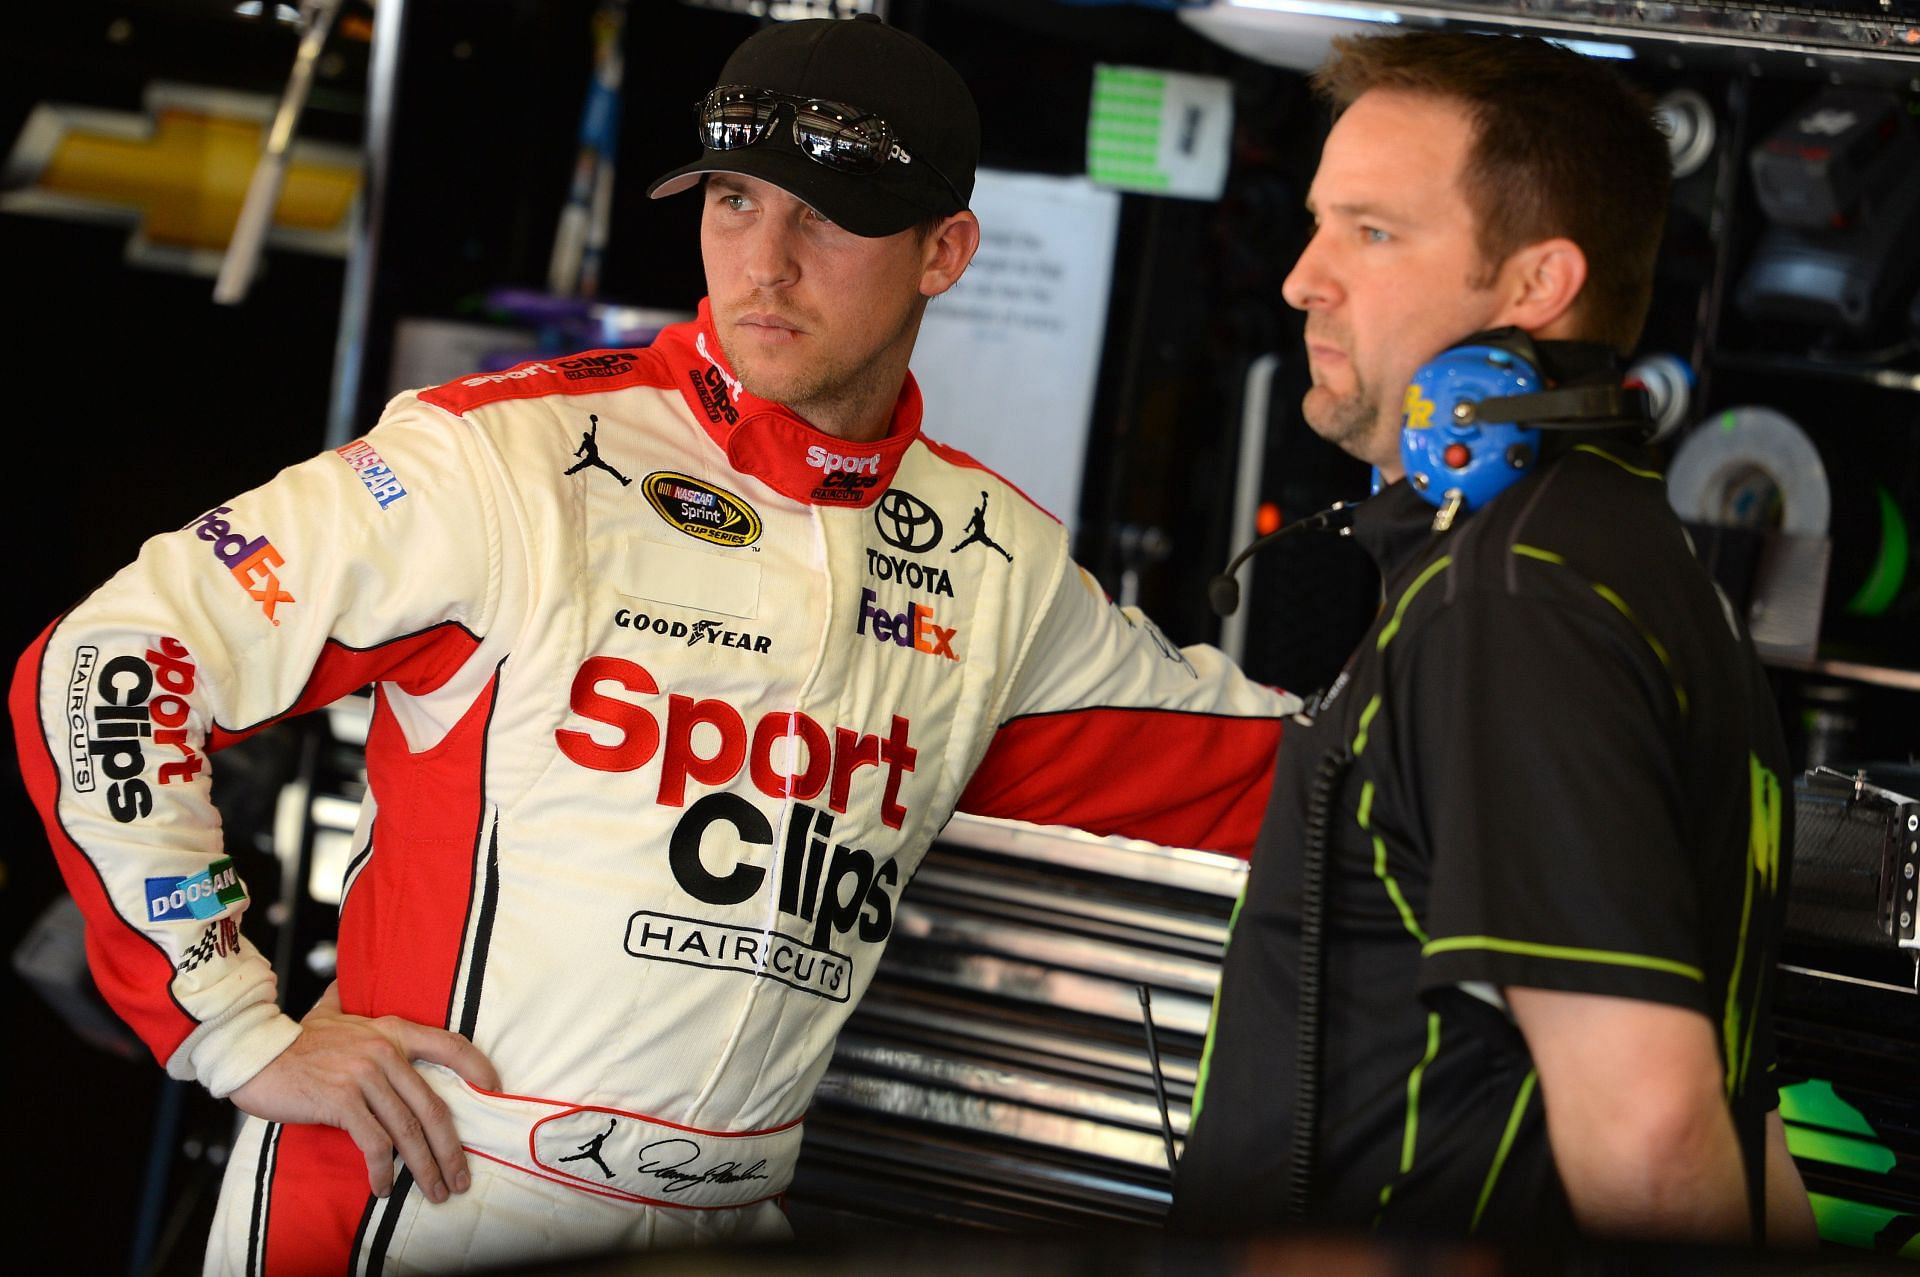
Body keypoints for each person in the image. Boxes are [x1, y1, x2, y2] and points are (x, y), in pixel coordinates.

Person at [10, 15, 1293, 1275]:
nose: (764, 262)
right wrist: (229, 1024)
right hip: (431, 1188)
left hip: (729, 1215)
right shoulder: (501, 459)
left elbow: (1286, 776)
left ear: (944, 250)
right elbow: (112, 661)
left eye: (826, 214)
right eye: (734, 201)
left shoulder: (993, 559)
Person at [1170, 32, 1815, 1248]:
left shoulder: (1516, 601)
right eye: (1318, 224)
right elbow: (1753, 1127)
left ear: (1536, 285)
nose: (1306, 276)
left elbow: (1658, 1131)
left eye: (1372, 231)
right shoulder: (1635, 562)